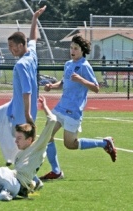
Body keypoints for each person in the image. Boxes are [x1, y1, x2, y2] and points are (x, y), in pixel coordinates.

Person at [39, 35, 117, 181]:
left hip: (73, 111)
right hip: (61, 107)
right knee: (47, 135)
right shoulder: (68, 64)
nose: (72, 51)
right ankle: (56, 171)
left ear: (82, 51)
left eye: (76, 48)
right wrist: (51, 86)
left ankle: (104, 143)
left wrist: (81, 79)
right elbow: (63, 83)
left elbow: (96, 88)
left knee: (71, 144)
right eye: (71, 48)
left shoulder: (85, 66)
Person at [0, 6, 46, 166]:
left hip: (20, 110)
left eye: (12, 46)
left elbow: (27, 92)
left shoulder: (21, 65)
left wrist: (28, 115)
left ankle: (32, 167)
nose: (10, 49)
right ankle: (20, 155)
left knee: (19, 146)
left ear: (21, 45)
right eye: (9, 46)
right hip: (12, 105)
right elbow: (33, 39)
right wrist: (34, 19)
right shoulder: (31, 52)